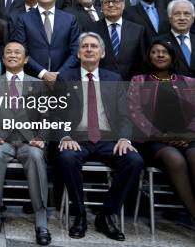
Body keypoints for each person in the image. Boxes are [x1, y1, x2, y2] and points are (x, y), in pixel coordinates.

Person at [56, 32, 143, 241]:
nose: (88, 49)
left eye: (93, 46)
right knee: (66, 158)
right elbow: (54, 111)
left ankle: (106, 214)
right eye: (84, 46)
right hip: (77, 138)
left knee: (134, 160)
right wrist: (65, 135)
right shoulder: (66, 77)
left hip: (108, 139)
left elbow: (125, 114)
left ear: (102, 53)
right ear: (78, 53)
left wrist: (124, 138)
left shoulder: (113, 78)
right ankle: (80, 215)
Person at [0, 41, 50, 245]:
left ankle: (41, 220)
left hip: (29, 142)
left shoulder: (38, 84)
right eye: (8, 52)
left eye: (17, 52)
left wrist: (42, 138)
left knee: (37, 157)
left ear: (26, 59)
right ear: (3, 59)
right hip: (2, 141)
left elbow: (46, 116)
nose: (12, 55)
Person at [128, 39, 195, 222]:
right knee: (175, 159)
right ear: (149, 57)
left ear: (172, 56)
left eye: (164, 52)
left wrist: (188, 134)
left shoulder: (189, 82)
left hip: (188, 138)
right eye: (155, 52)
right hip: (154, 141)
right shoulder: (139, 81)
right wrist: (162, 136)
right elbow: (135, 113)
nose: (160, 55)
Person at [13, 0, 80, 81]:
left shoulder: (70, 19)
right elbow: (21, 51)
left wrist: (59, 75)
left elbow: (76, 51)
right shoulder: (23, 19)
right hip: (33, 78)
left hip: (63, 79)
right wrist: (43, 73)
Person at [159, 0, 194, 76]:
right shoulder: (158, 42)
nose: (182, 18)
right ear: (170, 18)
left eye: (187, 14)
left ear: (193, 18)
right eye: (177, 14)